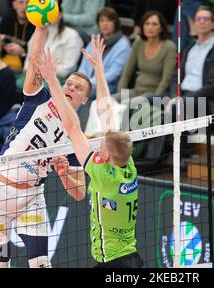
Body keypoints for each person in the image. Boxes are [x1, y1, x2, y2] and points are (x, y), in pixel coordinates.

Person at [0, 8, 92, 267]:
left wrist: (64, 172)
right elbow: (34, 62)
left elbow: (79, 193)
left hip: (32, 196)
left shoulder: (75, 134)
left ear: (84, 100)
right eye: (69, 83)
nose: (71, 88)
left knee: (41, 264)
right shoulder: (39, 97)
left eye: (78, 88)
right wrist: (41, 28)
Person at [36, 34, 143, 268]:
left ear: (106, 156)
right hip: (130, 258)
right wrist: (99, 68)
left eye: (102, 145)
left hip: (114, 263)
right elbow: (107, 114)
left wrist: (52, 80)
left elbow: (73, 127)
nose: (99, 142)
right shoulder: (127, 165)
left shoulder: (102, 175)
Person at [115, 11, 176, 103]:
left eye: (154, 24)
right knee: (108, 101)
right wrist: (120, 94)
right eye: (147, 24)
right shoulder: (138, 43)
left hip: (155, 93)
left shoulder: (169, 46)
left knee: (127, 104)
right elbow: (126, 73)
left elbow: (166, 80)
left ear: (161, 28)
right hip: (137, 90)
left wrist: (154, 99)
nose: (150, 27)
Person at [78, 7, 131, 100]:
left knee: (81, 93)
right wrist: (80, 80)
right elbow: (84, 66)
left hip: (109, 85)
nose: (105, 24)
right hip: (88, 82)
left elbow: (114, 73)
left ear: (115, 23)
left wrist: (89, 83)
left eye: (109, 20)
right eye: (102, 20)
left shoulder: (123, 44)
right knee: (68, 88)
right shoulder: (95, 40)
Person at [24, 10, 83, 81]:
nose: (48, 15)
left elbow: (67, 68)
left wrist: (42, 72)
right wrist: (30, 70)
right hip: (33, 76)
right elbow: (28, 60)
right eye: (46, 12)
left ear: (60, 14)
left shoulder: (72, 36)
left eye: (52, 11)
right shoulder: (37, 33)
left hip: (58, 80)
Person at [0, 0, 35, 73]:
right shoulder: (7, 19)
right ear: (14, 4)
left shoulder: (37, 24)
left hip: (26, 67)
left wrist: (23, 52)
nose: (24, 6)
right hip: (4, 62)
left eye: (28, 3)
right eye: (21, 2)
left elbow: (37, 54)